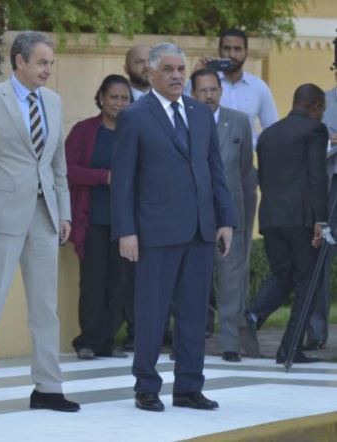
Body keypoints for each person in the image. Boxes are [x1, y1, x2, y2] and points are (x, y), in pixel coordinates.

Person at [0, 31, 80, 412]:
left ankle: (48, 388)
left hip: (44, 218)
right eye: (41, 62)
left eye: (50, 64)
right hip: (0, 219)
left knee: (46, 306)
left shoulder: (54, 103)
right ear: (19, 61)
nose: (47, 70)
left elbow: (58, 164)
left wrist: (64, 213)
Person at [111, 42, 235, 412]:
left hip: (199, 230)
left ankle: (188, 387)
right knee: (151, 311)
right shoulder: (135, 116)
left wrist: (225, 219)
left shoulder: (199, 113)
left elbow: (215, 170)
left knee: (195, 313)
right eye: (168, 69)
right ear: (151, 73)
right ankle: (146, 387)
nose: (177, 75)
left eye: (181, 69)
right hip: (154, 231)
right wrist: (126, 230)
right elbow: (123, 180)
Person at [246, 84, 329, 364]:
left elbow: (265, 177)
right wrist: (322, 220)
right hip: (302, 218)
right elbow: (318, 177)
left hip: (270, 216)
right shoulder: (315, 130)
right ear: (316, 106)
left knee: (283, 274)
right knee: (308, 281)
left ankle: (253, 313)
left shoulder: (268, 135)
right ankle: (290, 349)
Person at [191, 68, 257, 362]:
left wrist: (244, 217)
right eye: (203, 90)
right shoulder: (184, 121)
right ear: (192, 94)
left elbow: (245, 174)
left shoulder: (239, 121)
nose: (209, 95)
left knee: (232, 281)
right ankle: (188, 341)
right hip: (193, 216)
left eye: (213, 90)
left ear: (221, 91)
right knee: (192, 282)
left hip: (230, 216)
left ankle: (230, 343)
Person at [66, 74, 133, 360]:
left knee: (119, 283)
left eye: (124, 98)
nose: (118, 102)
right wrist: (103, 177)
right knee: (93, 282)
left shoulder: (134, 131)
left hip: (125, 223)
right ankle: (88, 342)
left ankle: (108, 341)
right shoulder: (84, 130)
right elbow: (67, 169)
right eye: (113, 97)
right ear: (102, 98)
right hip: (91, 219)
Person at [186, 28, 278, 147]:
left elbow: (273, 129)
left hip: (243, 161)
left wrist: (252, 142)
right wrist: (196, 75)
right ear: (219, 51)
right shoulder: (207, 84)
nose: (232, 54)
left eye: (237, 49)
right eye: (227, 48)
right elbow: (184, 111)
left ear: (246, 52)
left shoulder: (259, 87)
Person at [305, 72, 337, 350]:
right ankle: (316, 331)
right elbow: (312, 148)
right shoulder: (324, 102)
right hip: (331, 187)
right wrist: (332, 143)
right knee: (321, 258)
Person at [122, 44, 150, 351]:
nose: (144, 67)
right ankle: (135, 331)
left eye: (148, 62)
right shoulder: (127, 108)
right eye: (138, 62)